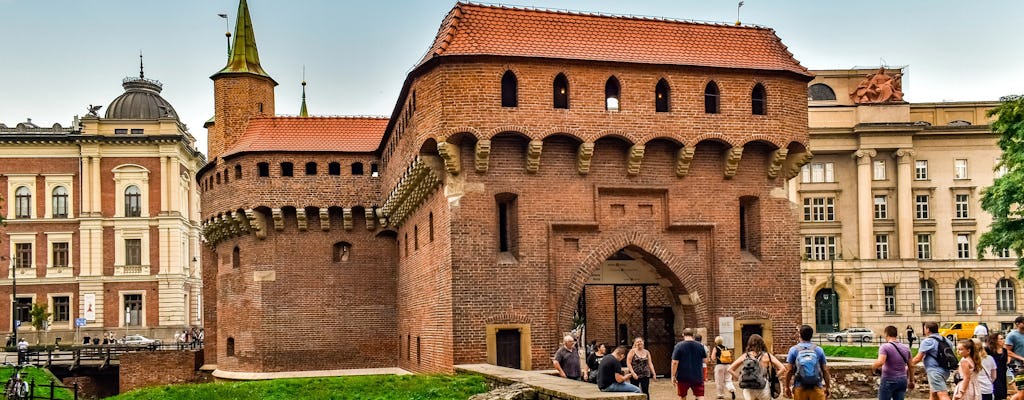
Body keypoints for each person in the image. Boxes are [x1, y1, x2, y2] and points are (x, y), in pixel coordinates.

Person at [728, 333, 784, 400]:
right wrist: (774, 377)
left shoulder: (745, 356)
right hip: (763, 387)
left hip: (748, 388)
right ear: (762, 343)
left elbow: (730, 369)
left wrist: (740, 378)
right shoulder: (767, 356)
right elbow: (782, 368)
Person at [784, 325, 831, 400]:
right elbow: (825, 370)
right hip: (816, 386)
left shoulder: (793, 350)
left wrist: (787, 386)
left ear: (799, 335)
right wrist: (828, 387)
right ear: (811, 336)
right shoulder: (818, 350)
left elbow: (789, 370)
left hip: (800, 387)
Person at [912, 322, 955, 400]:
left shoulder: (928, 341)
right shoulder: (946, 340)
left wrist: (907, 365)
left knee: (942, 394)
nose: (924, 330)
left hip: (935, 372)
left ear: (928, 330)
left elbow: (918, 358)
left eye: (924, 328)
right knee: (933, 394)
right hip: (945, 370)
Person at [873, 325, 915, 400]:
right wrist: (911, 380)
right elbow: (911, 366)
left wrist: (873, 367)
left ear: (886, 334)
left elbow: (880, 362)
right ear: (896, 334)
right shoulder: (906, 348)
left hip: (888, 379)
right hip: (902, 379)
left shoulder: (885, 347)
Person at [672, 328, 708, 400]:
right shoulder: (700, 346)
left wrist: (673, 375)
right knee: (700, 395)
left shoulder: (678, 346)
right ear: (693, 335)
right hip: (697, 375)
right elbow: (705, 360)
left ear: (683, 335)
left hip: (683, 376)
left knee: (682, 396)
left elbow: (675, 362)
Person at [712, 336, 736, 400]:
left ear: (716, 341)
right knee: (728, 380)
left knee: (719, 381)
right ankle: (732, 389)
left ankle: (720, 395)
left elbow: (713, 358)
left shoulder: (715, 348)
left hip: (719, 366)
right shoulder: (726, 348)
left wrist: (716, 358)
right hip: (728, 366)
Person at [985, 333, 1008, 400]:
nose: (1003, 340)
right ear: (995, 341)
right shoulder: (988, 350)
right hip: (992, 375)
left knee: (1002, 394)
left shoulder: (1004, 351)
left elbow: (1004, 363)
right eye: (1001, 339)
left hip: (1002, 375)